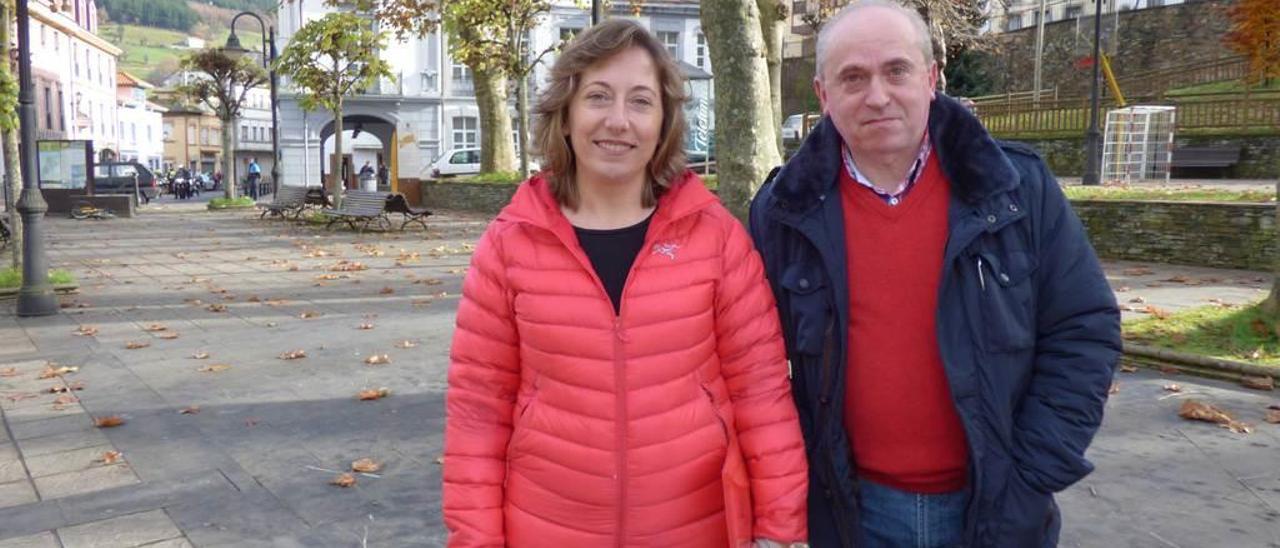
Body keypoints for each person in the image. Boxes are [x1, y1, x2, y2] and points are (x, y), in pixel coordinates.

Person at [747, 1, 1122, 547]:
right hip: (848, 514)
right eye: (853, 78)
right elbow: (752, 370)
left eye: (896, 71)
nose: (877, 95)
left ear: (931, 78)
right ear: (824, 95)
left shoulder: (1016, 190)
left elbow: (1084, 330)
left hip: (996, 510)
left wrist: (1031, 477)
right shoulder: (783, 212)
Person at [444, 19, 809, 548]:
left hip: (695, 528)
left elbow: (762, 397)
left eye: (640, 101)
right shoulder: (509, 246)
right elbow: (478, 414)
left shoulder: (718, 240)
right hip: (545, 529)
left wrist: (779, 531)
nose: (617, 120)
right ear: (566, 115)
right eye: (597, 97)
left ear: (663, 123)